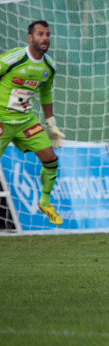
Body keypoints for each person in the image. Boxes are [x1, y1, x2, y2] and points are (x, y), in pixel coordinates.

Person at [0, 20, 65, 225]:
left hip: (26, 121)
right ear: (30, 37)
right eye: (40, 34)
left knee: (51, 158)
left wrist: (51, 124)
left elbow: (46, 93)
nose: (44, 38)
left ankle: (45, 202)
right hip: (2, 119)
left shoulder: (49, 67)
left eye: (47, 34)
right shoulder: (13, 59)